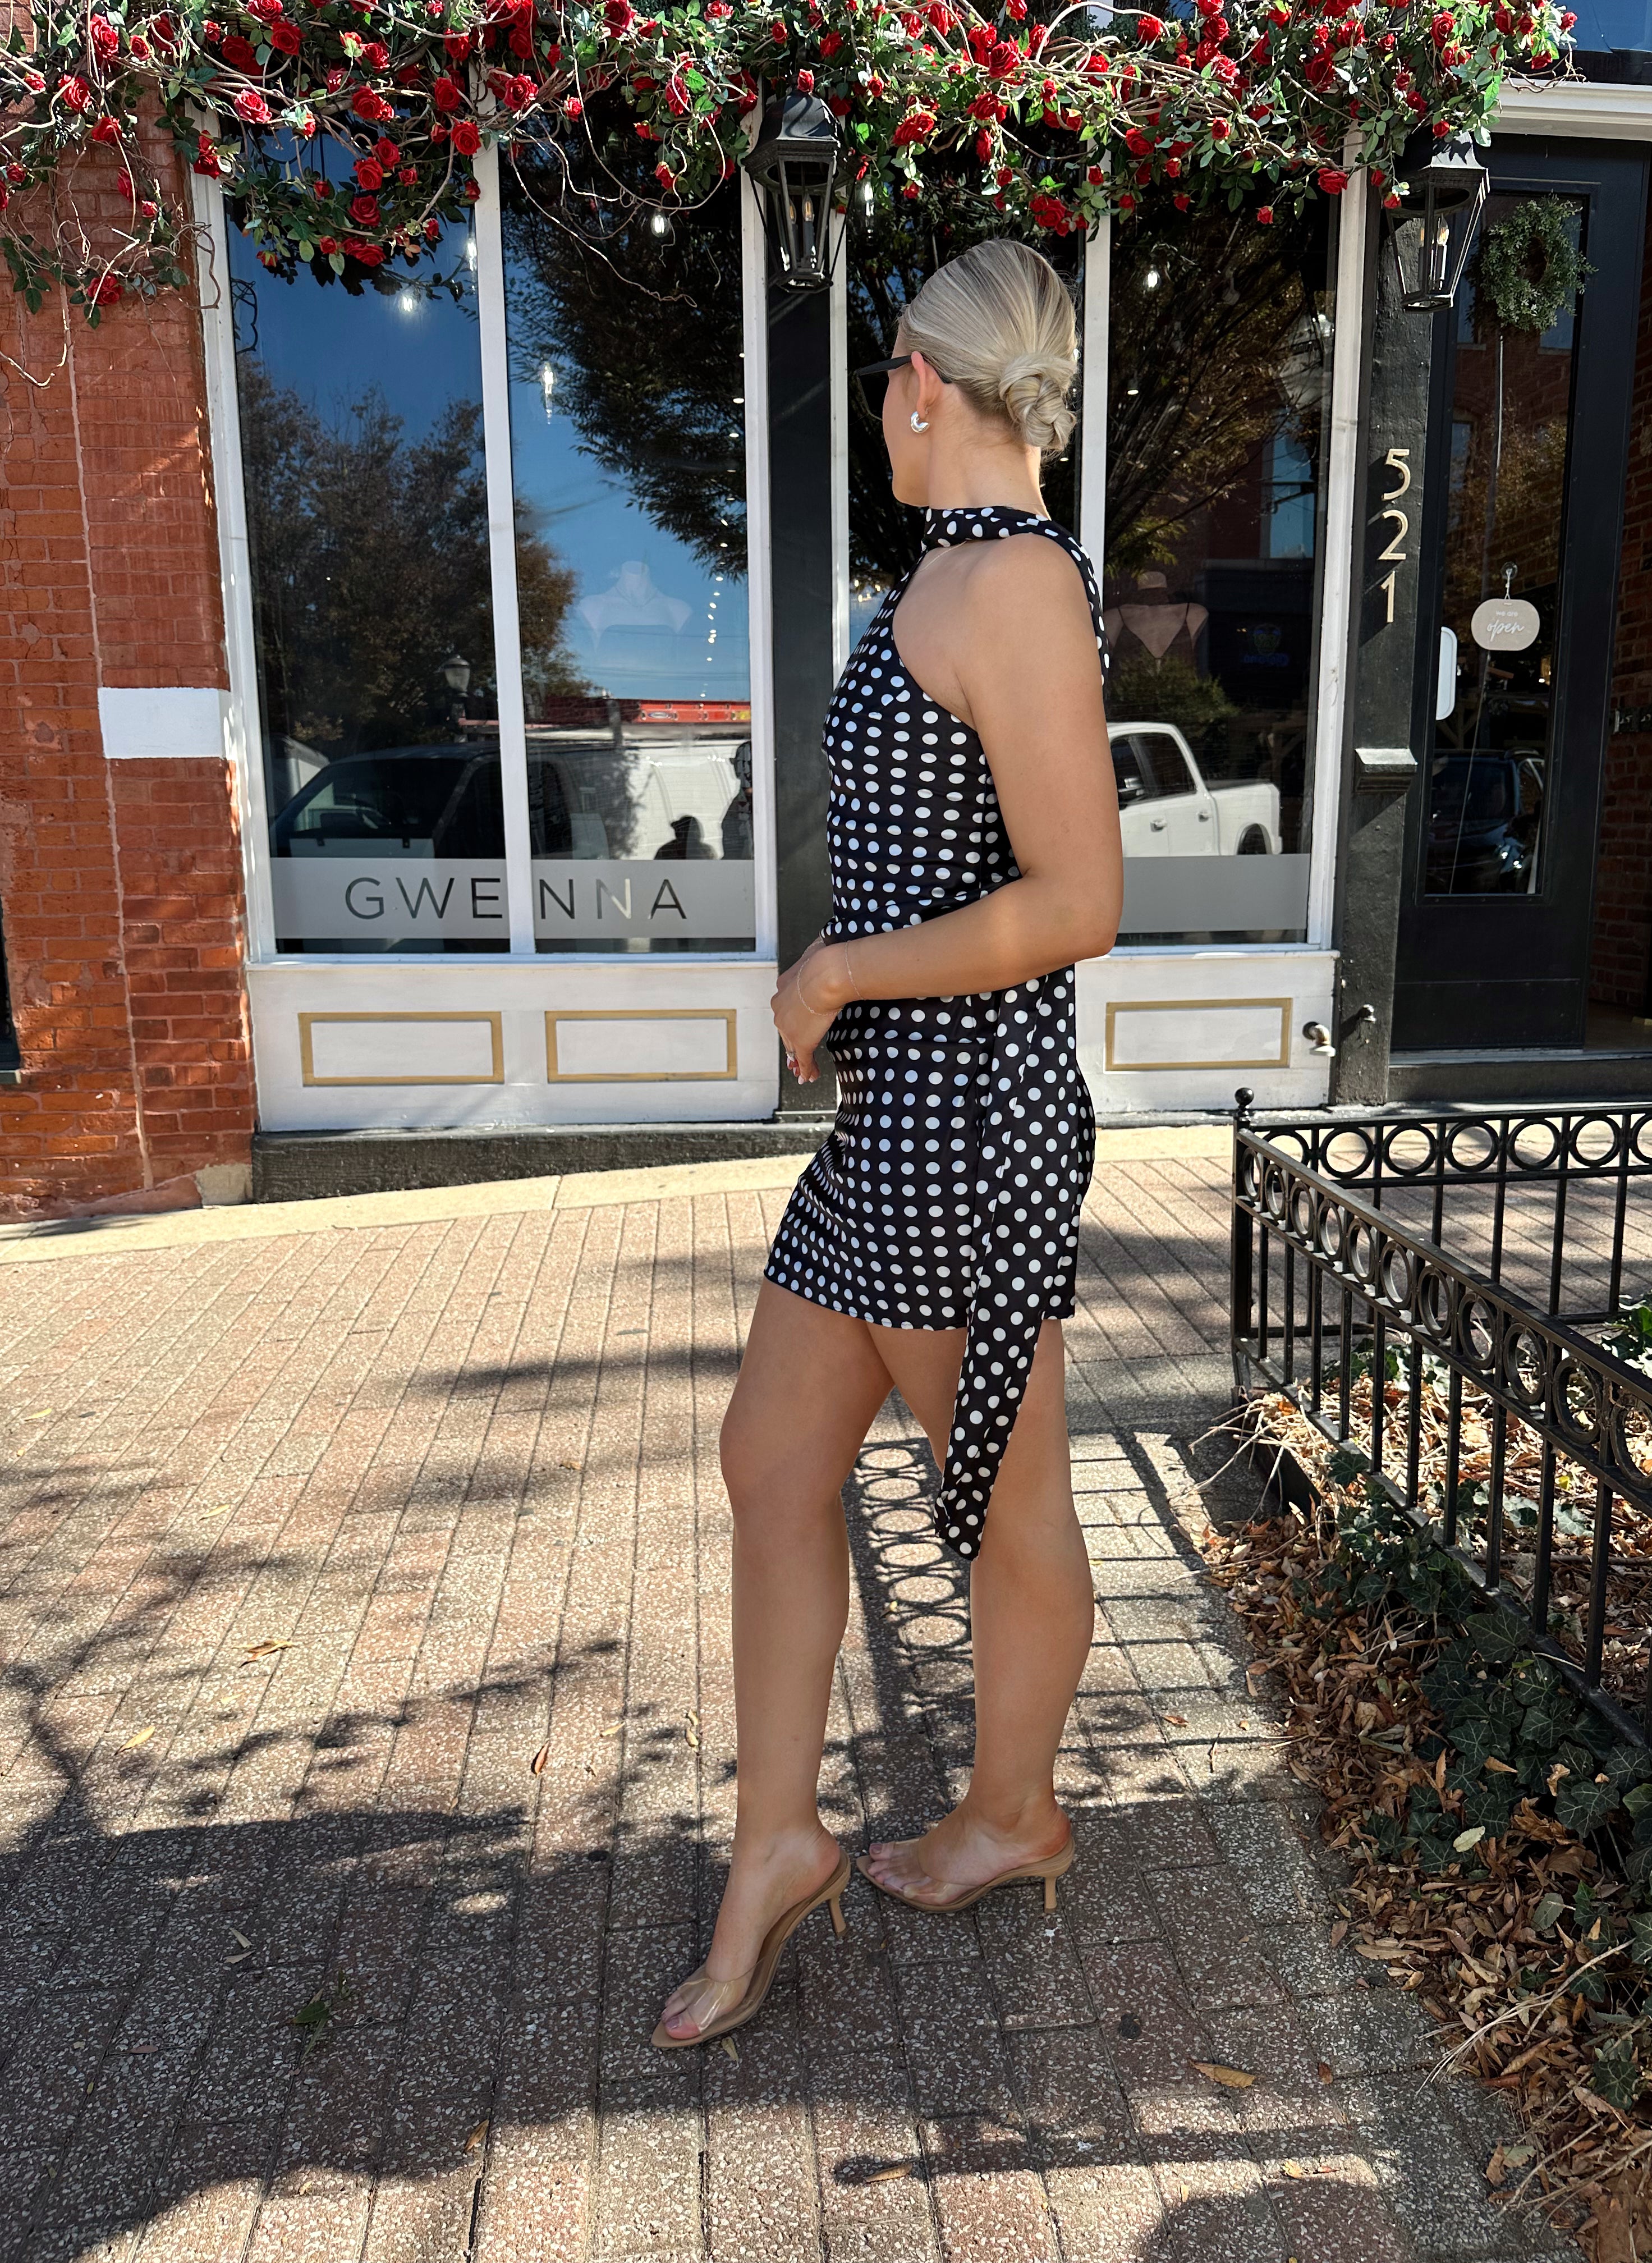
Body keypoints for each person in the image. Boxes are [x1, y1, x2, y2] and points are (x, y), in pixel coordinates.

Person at [654, 239, 1122, 2049]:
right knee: (774, 1460)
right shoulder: (950, 574)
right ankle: (778, 1841)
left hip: (971, 1121)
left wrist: (844, 962)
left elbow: (1082, 898)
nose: (877, 412)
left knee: (1007, 1503)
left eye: (883, 382)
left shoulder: (1008, 587)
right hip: (898, 1122)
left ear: (923, 382)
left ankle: (1014, 1814)